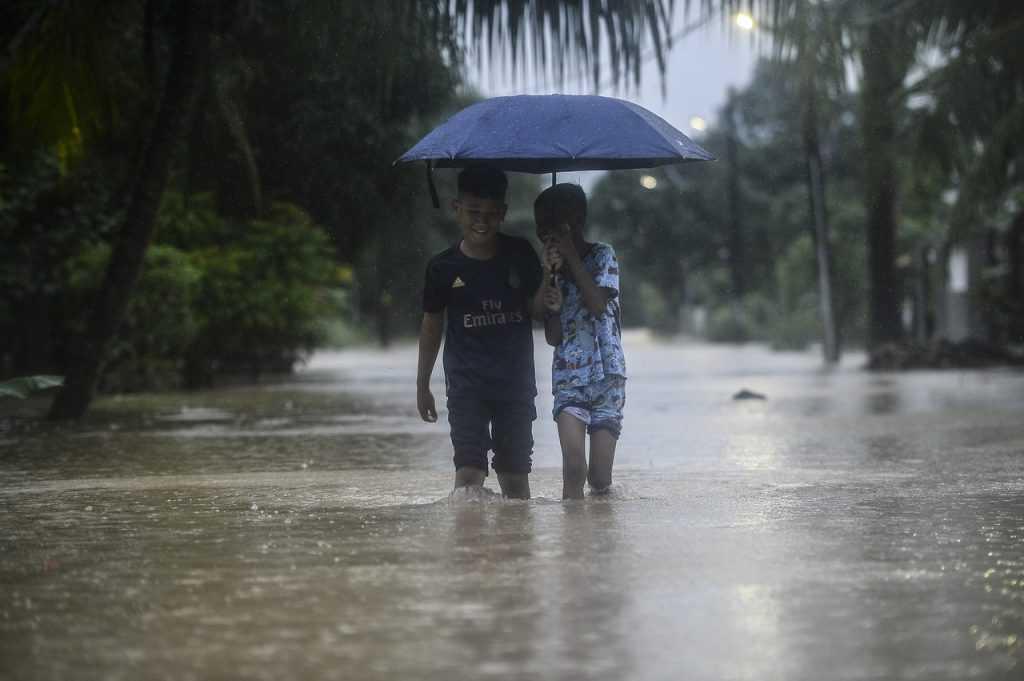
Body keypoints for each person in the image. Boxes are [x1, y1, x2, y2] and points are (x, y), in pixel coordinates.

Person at [416, 166, 558, 499]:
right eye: (473, 212)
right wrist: (422, 385)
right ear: (457, 209)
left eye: (492, 214)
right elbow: (431, 326)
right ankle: (468, 535)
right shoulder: (442, 268)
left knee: (515, 480)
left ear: (503, 213)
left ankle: (516, 535)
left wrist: (549, 275)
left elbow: (537, 312)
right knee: (468, 477)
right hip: (466, 387)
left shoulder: (520, 254)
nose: (482, 221)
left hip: (515, 387)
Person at [534, 183, 626, 499]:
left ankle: (599, 524)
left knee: (599, 479)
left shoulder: (603, 255)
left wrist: (572, 258)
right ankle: (572, 528)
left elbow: (598, 305)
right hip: (569, 378)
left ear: (577, 223)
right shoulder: (552, 272)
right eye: (543, 233)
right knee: (574, 468)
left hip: (608, 378)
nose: (550, 239)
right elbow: (552, 337)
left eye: (556, 231)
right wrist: (549, 280)